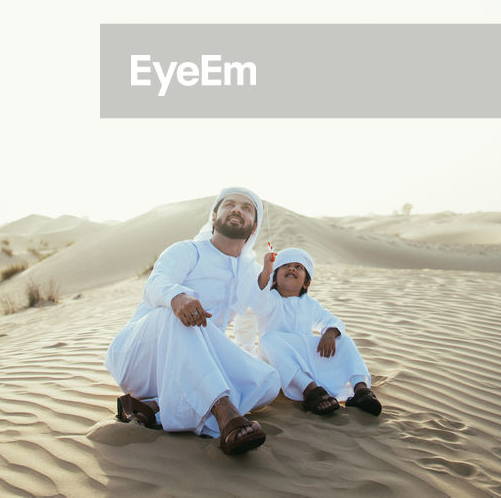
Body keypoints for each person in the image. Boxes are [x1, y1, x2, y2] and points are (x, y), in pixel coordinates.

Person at [103, 187, 280, 455]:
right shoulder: (188, 250)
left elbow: (261, 309)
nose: (236, 209)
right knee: (177, 317)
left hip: (195, 365)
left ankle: (154, 408)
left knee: (268, 383)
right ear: (213, 217)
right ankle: (224, 412)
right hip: (143, 357)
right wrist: (177, 297)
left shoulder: (249, 272)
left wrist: (267, 277)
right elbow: (156, 283)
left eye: (246, 208)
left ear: (254, 226)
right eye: (229, 204)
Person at [248, 247, 382, 417]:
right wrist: (266, 272)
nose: (292, 269)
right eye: (286, 266)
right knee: (268, 340)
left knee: (344, 340)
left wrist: (330, 333)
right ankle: (310, 391)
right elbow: (256, 302)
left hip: (305, 355)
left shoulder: (309, 304)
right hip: (277, 360)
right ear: (274, 280)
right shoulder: (271, 299)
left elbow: (333, 321)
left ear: (306, 283)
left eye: (298, 267)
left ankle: (361, 390)